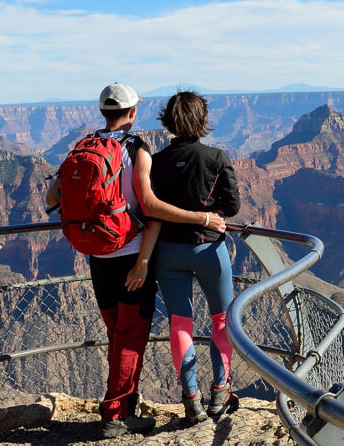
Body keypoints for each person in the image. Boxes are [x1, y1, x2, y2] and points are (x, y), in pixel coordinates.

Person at [45, 82, 228, 439]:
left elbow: (52, 196)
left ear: (103, 112)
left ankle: (124, 403)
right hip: (131, 258)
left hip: (96, 254)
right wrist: (200, 220)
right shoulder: (136, 148)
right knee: (130, 337)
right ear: (132, 113)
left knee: (117, 333)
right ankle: (116, 414)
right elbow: (150, 206)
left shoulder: (82, 146)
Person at [150, 90, 241, 424]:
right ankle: (220, 393)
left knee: (180, 323)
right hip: (209, 250)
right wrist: (209, 212)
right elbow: (232, 207)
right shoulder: (216, 158)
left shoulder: (156, 162)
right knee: (221, 320)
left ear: (168, 121)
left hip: (168, 252)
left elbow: (149, 208)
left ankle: (192, 401)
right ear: (203, 120)